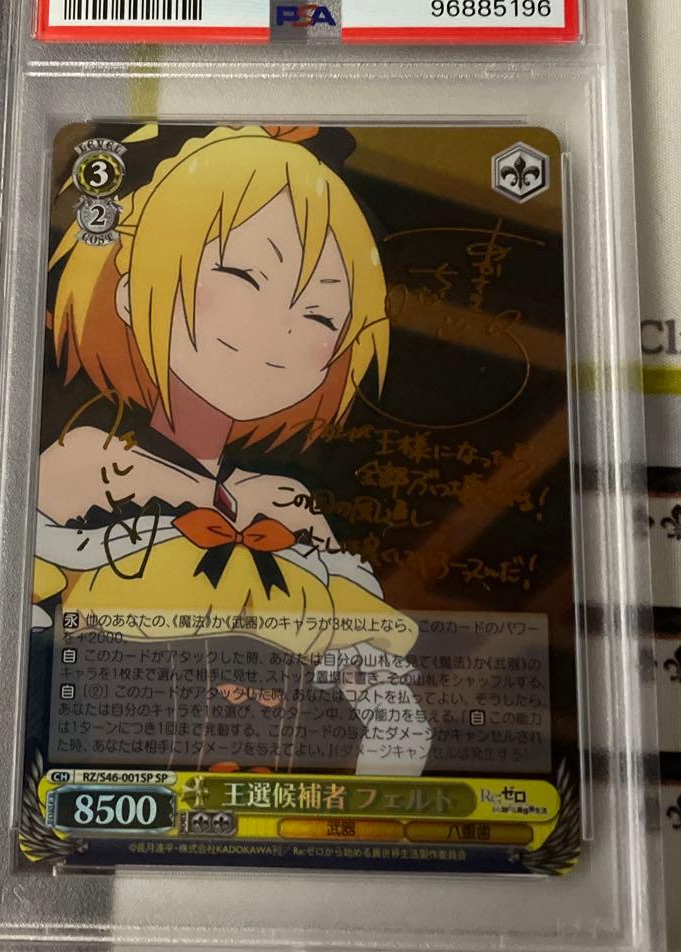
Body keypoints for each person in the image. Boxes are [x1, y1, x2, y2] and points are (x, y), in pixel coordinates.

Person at [33, 124, 432, 776]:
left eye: (320, 316)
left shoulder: (287, 507)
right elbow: (9, 634)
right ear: (131, 289)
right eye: (244, 275)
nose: (278, 331)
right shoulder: (92, 469)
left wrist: (390, 760)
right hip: (111, 781)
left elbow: (378, 687)